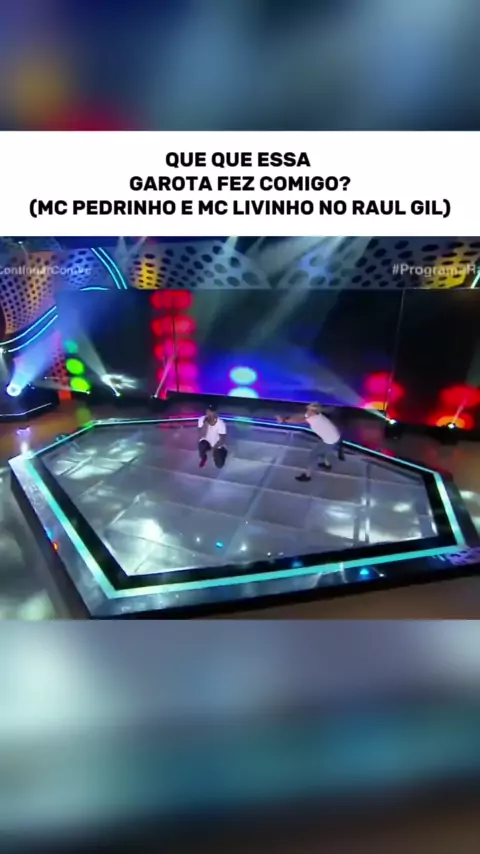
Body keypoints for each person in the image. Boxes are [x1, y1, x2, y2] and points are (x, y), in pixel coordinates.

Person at [277, 402, 344, 482]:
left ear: (314, 411)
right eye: (308, 409)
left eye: (309, 410)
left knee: (313, 456)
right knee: (321, 451)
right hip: (333, 437)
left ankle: (307, 476)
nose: (307, 411)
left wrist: (284, 420)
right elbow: (302, 416)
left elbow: (299, 420)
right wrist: (286, 418)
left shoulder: (314, 419)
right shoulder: (317, 415)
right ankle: (326, 465)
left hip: (330, 439)